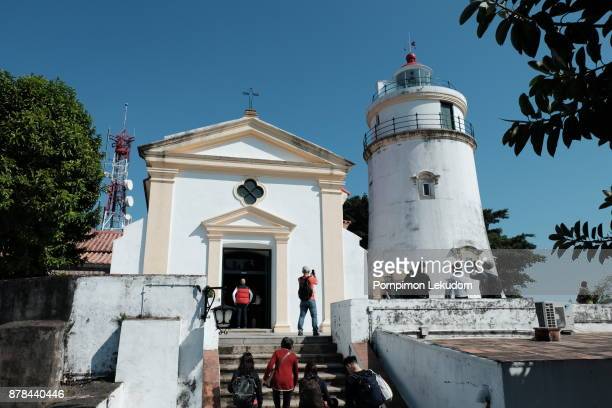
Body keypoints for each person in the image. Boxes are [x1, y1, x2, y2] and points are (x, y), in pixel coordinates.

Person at [263, 337, 299, 408]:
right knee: (286, 404)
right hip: (288, 382)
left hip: (277, 380)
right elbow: (296, 372)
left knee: (277, 403)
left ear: (282, 344)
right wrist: (294, 383)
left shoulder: (277, 352)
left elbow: (270, 366)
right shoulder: (293, 355)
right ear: (291, 346)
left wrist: (265, 377)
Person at [298, 266, 319, 336]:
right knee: (314, 316)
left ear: (302, 271)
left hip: (303, 300)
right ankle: (315, 331)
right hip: (311, 300)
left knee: (302, 316)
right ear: (308, 271)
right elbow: (316, 282)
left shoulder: (299, 279)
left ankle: (300, 330)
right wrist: (314, 275)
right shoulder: (311, 278)